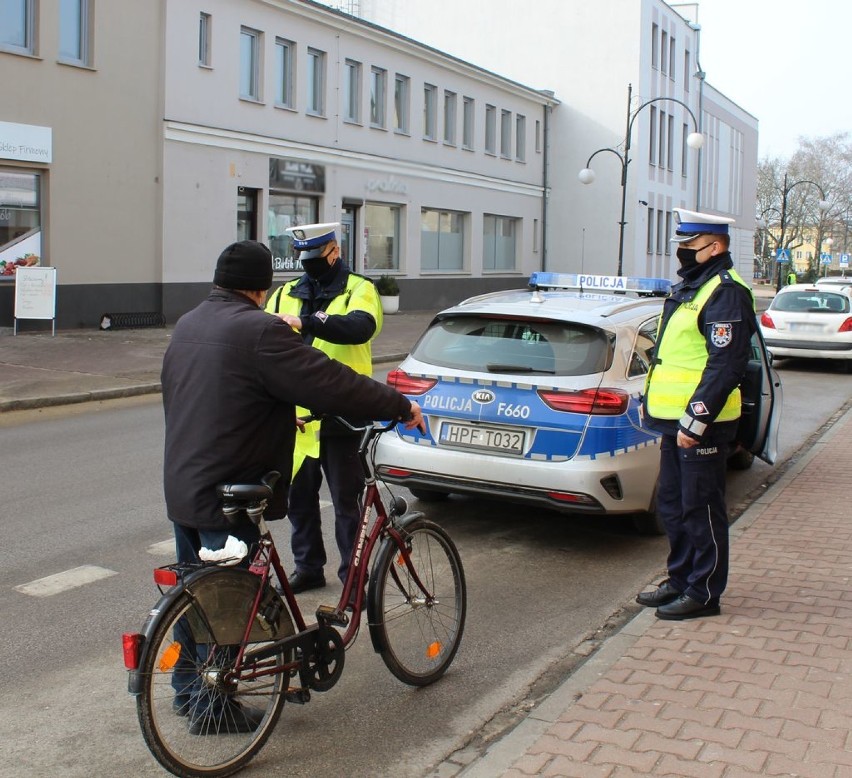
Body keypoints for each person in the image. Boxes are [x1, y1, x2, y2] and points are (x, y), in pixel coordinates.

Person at [161, 239, 423, 732]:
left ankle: (188, 690)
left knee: (198, 590)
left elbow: (209, 394)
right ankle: (213, 708)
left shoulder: (191, 323)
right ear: (262, 289)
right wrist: (397, 404)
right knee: (229, 601)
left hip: (184, 480)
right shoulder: (259, 330)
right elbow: (328, 380)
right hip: (229, 492)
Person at [638, 208, 758, 621]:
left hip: (702, 423)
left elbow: (726, 363)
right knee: (673, 503)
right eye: (682, 246)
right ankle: (681, 578)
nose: (683, 253)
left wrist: (697, 418)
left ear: (716, 246)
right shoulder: (692, 286)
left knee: (701, 507)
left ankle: (705, 593)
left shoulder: (726, 291)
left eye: (690, 246)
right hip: (675, 420)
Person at [265, 223, 383, 595]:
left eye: (315, 256)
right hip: (298, 419)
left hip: (343, 414)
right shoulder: (284, 293)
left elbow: (360, 328)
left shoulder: (359, 290)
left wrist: (308, 321)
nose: (309, 264)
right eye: (304, 257)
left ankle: (354, 580)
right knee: (300, 501)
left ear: (334, 251)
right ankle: (309, 568)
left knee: (348, 505)